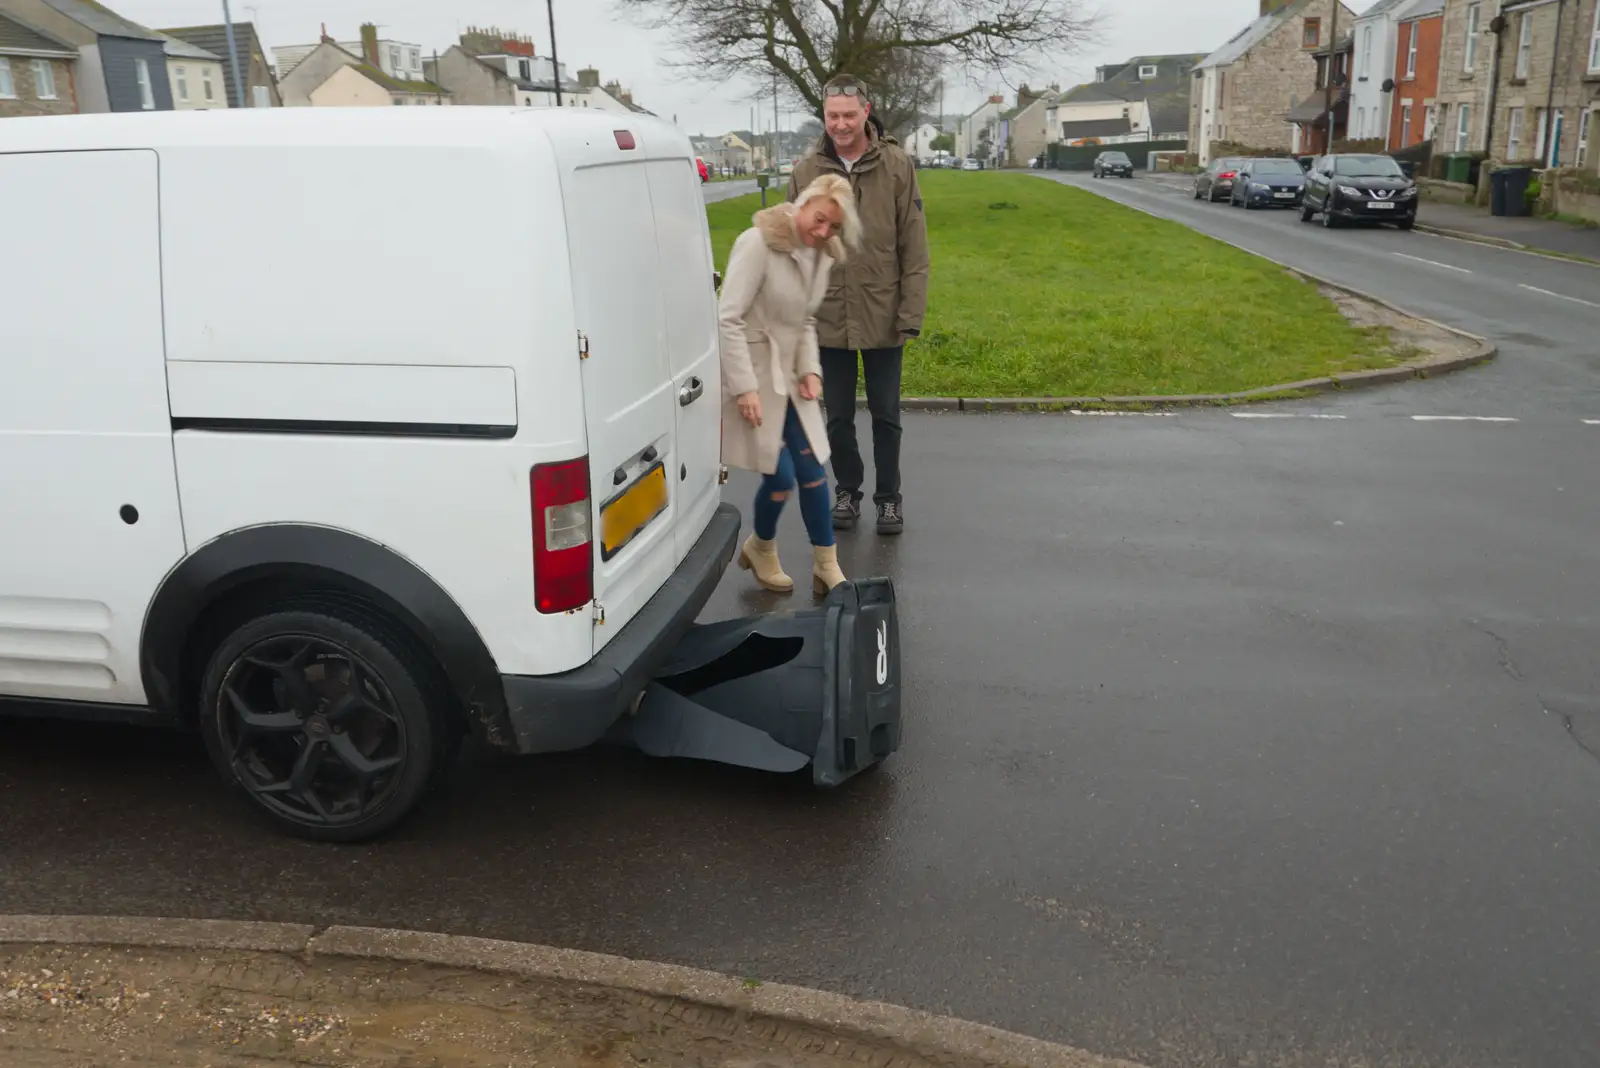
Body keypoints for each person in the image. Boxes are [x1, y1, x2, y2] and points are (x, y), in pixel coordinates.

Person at [787, 74, 930, 536]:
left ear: (866, 112)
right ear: (823, 117)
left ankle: (890, 498)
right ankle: (847, 490)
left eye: (849, 114)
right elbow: (792, 248)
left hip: (883, 311)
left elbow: (914, 245)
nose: (842, 124)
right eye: (833, 116)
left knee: (887, 416)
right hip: (827, 316)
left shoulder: (896, 165)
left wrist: (910, 313)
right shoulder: (807, 171)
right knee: (838, 417)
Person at [719, 174, 862, 596]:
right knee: (780, 477)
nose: (823, 232)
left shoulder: (822, 255)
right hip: (755, 376)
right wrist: (743, 387)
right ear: (801, 205)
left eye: (833, 227)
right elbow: (727, 317)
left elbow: (804, 322)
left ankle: (826, 565)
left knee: (813, 472)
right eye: (819, 220)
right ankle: (762, 546)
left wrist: (812, 368)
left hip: (792, 382)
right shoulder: (758, 243)